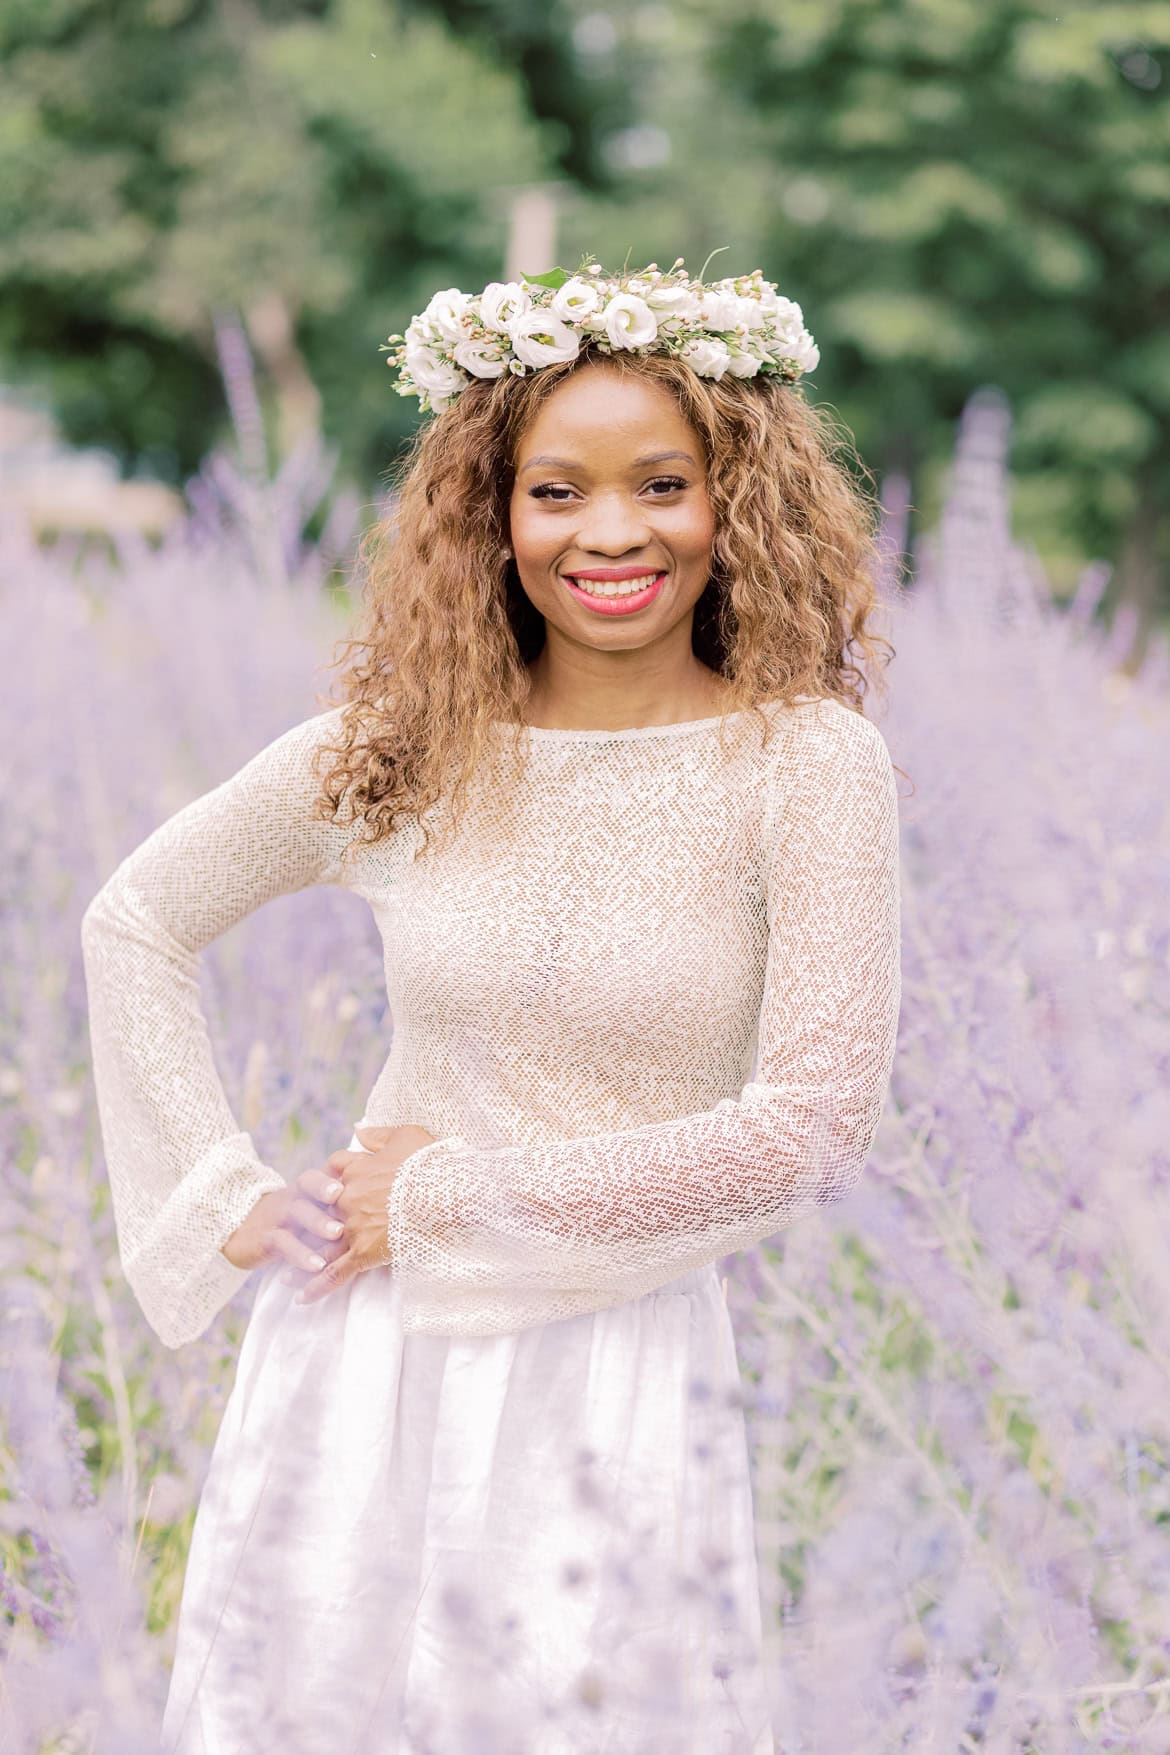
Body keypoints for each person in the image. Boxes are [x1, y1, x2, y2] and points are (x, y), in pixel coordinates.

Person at [80, 255, 903, 1754]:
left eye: (661, 483)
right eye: (555, 491)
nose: (609, 534)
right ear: (490, 513)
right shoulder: (405, 747)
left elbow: (809, 1127)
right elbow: (136, 919)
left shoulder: (805, 767)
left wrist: (455, 1194)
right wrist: (223, 1200)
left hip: (614, 1370)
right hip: (362, 1361)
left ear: (738, 499)